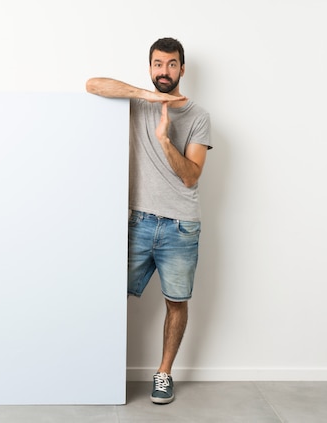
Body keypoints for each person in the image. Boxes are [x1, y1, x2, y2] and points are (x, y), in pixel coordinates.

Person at [86, 37, 212, 404]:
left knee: (176, 301)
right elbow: (93, 85)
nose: (164, 71)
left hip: (181, 226)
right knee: (107, 293)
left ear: (182, 69)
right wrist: (146, 95)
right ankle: (96, 367)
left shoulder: (199, 116)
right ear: (150, 67)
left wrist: (165, 141)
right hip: (138, 222)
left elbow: (191, 176)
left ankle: (164, 373)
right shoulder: (139, 103)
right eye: (158, 64)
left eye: (172, 64)